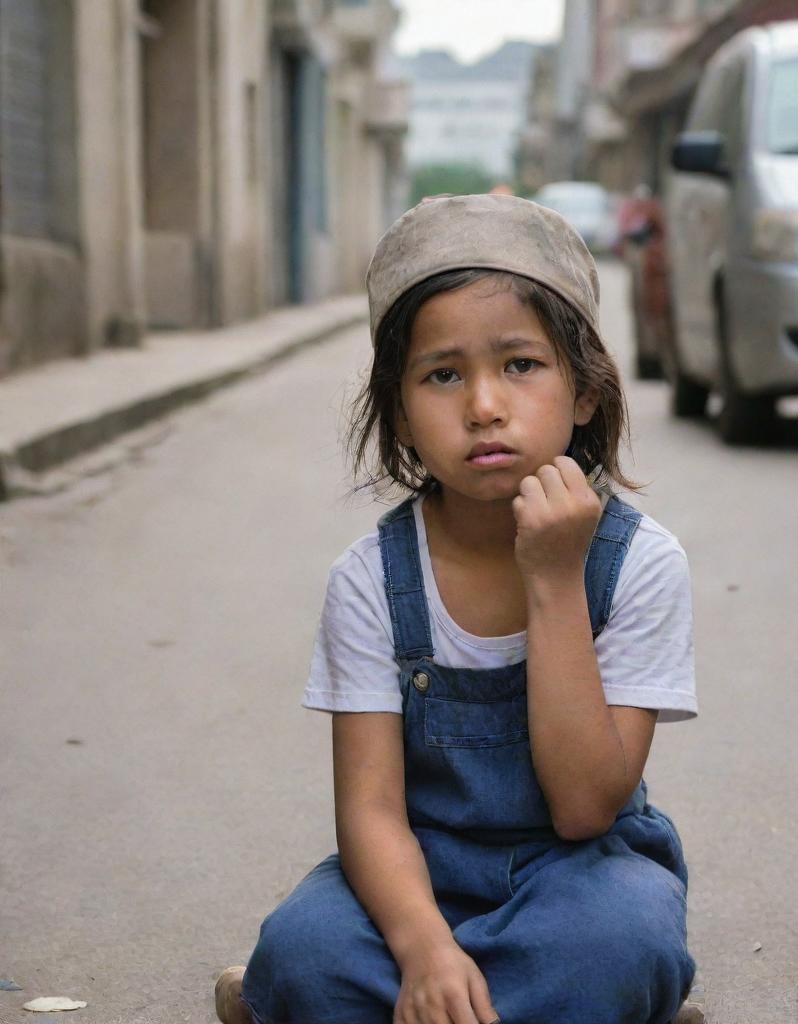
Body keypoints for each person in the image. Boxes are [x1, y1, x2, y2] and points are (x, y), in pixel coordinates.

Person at [215, 193, 700, 1024]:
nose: (483, 404)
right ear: (401, 416)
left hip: (581, 871)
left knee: (620, 942)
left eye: (520, 365)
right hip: (416, 870)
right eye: (443, 374)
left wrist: (554, 581)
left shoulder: (639, 563)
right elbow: (369, 811)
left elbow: (587, 806)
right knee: (307, 949)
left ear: (584, 392)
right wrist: (426, 949)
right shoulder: (371, 577)